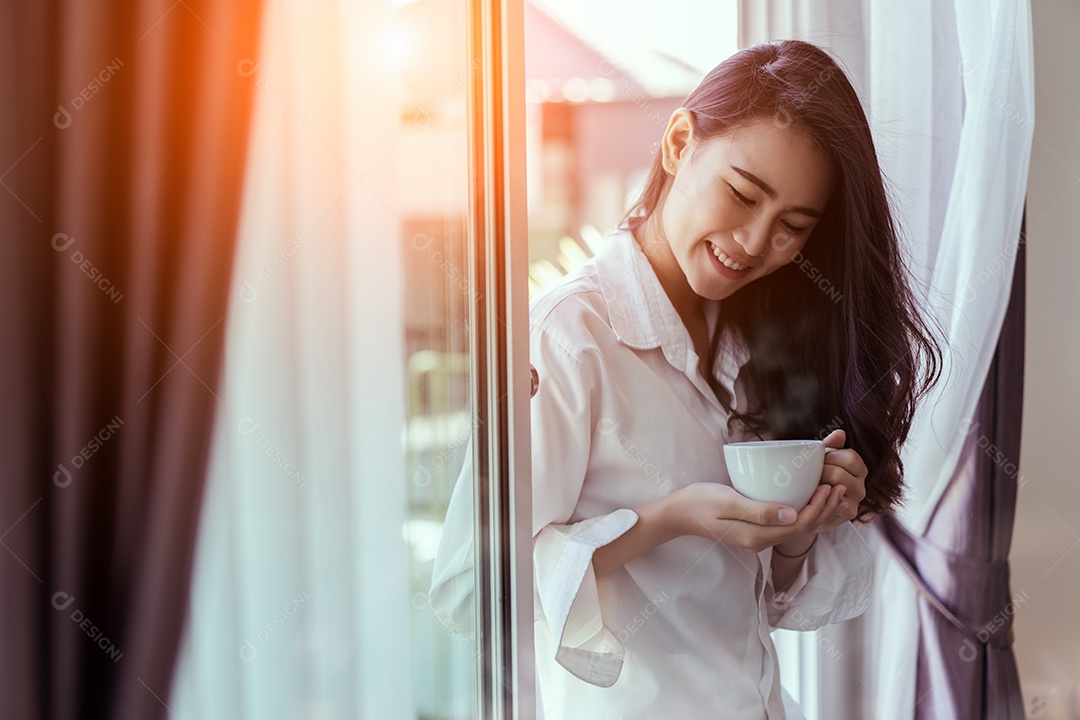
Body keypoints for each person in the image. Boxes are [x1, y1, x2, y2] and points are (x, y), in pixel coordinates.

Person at [430, 39, 943, 719]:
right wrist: (663, 523)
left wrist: (796, 525)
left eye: (793, 227)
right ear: (679, 143)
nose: (757, 243)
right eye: (742, 194)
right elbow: (471, 590)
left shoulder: (757, 344)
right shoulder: (566, 337)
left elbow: (761, 604)